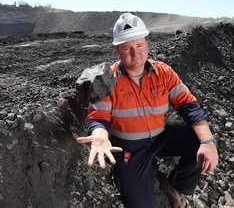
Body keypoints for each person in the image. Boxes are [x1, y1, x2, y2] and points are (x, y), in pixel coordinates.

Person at [76, 13, 219, 208]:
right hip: (131, 149)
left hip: (161, 137)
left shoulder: (164, 72)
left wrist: (208, 142)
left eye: (139, 45)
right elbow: (99, 118)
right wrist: (100, 135)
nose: (135, 54)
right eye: (127, 48)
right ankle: (133, 178)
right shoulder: (109, 81)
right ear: (118, 49)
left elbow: (189, 106)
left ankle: (176, 189)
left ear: (147, 43)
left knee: (198, 140)